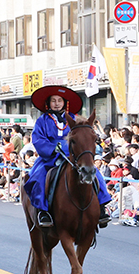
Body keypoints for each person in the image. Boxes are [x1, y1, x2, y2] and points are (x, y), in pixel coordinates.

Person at [24, 85, 112, 228]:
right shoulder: (42, 120)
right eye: (53, 100)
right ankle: (42, 211)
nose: (57, 103)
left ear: (65, 102)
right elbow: (38, 139)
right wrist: (52, 148)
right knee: (38, 175)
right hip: (50, 156)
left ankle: (101, 207)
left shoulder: (75, 119)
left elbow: (83, 136)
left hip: (73, 155)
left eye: (60, 100)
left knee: (94, 173)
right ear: (48, 103)